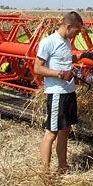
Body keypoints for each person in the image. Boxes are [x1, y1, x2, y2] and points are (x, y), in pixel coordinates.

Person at [34, 11, 84, 173]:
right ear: (68, 26)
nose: (76, 34)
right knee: (52, 132)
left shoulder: (67, 41)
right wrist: (60, 74)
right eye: (76, 31)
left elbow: (65, 60)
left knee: (65, 129)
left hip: (69, 91)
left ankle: (62, 166)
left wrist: (83, 56)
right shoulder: (49, 42)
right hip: (57, 93)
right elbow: (38, 68)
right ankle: (45, 172)